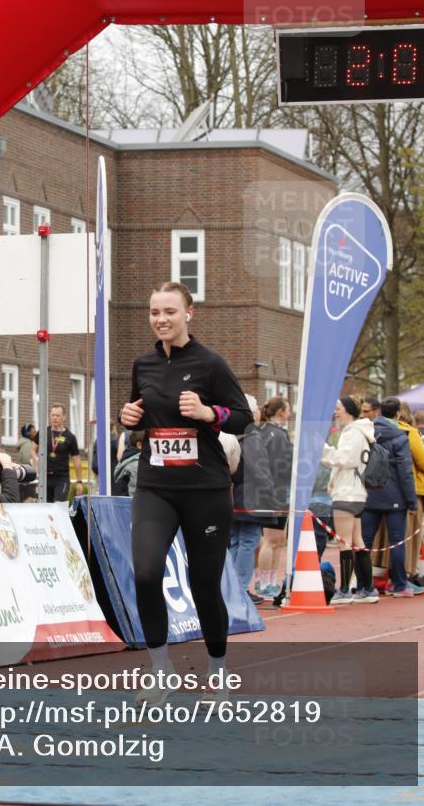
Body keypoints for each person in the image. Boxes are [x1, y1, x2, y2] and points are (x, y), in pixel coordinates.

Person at [119, 281, 252, 700]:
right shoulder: (143, 364)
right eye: (155, 312)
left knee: (205, 586)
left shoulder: (211, 364)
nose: (161, 319)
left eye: (170, 312)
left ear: (188, 313)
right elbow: (139, 416)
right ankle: (160, 672)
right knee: (144, 573)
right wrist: (129, 417)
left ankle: (217, 670)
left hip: (205, 489)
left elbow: (244, 418)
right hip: (155, 486)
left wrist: (209, 412)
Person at [320, 396, 377, 604]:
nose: (336, 412)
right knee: (357, 541)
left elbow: (344, 459)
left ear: (349, 411)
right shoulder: (360, 431)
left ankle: (344, 590)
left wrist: (322, 449)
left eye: (339, 408)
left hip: (347, 492)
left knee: (345, 543)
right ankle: (368, 590)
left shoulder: (352, 432)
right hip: (357, 492)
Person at [362, 396, 417, 597]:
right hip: (395, 496)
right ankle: (400, 584)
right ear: (398, 414)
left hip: (368, 494)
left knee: (364, 542)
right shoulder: (401, 437)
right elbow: (405, 472)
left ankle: (362, 584)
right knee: (396, 541)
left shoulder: (366, 433)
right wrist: (412, 502)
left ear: (378, 412)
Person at [229, 395, 275, 605]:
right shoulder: (252, 437)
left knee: (236, 541)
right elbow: (260, 469)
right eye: (256, 408)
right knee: (248, 541)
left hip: (232, 493)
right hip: (251, 495)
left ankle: (232, 585)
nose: (259, 412)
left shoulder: (229, 434)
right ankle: (240, 587)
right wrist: (269, 492)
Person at [255, 396, 293, 600]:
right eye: (288, 409)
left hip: (271, 490)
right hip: (276, 491)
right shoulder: (276, 434)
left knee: (278, 540)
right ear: (281, 412)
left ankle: (270, 581)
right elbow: (279, 465)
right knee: (271, 540)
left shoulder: (264, 432)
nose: (290, 413)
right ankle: (263, 582)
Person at [398, 403, 424, 590]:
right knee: (410, 537)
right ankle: (405, 576)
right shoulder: (410, 433)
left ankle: (380, 577)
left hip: (388, 490)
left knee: (390, 536)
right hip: (413, 489)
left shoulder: (378, 431)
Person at [39, 404, 83, 504]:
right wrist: (36, 459)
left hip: (61, 478)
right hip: (45, 478)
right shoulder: (43, 433)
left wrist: (79, 481)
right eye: (52, 415)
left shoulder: (70, 437)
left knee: (59, 505)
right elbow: (33, 449)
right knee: (45, 508)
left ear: (64, 417)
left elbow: (76, 459)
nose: (54, 418)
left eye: (57, 415)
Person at [113, 430, 144, 497]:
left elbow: (119, 456)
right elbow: (134, 493)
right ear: (139, 445)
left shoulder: (127, 458)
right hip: (129, 504)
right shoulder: (136, 464)